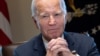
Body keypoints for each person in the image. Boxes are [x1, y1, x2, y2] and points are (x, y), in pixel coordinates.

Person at [13, 0, 100, 56]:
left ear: (65, 18)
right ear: (35, 22)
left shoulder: (86, 44)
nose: (52, 22)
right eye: (45, 16)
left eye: (57, 14)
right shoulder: (22, 53)